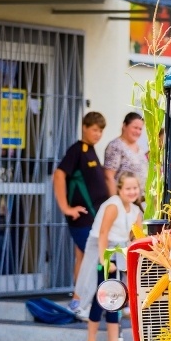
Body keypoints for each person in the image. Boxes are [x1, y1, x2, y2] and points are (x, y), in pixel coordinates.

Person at [78, 172, 143, 341]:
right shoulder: (113, 206)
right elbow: (104, 233)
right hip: (105, 253)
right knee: (102, 297)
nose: (132, 192)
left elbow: (135, 237)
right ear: (120, 189)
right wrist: (105, 261)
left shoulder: (136, 211)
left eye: (135, 188)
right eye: (128, 188)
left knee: (117, 299)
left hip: (120, 253)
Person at [53, 111, 110, 314]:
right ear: (84, 127)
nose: (98, 134)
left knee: (82, 257)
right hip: (83, 217)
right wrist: (65, 208)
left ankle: (78, 301)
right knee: (92, 258)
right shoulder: (76, 150)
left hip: (95, 217)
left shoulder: (91, 150)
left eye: (101, 131)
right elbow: (59, 176)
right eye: (94, 129)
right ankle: (82, 303)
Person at [104, 112, 147, 196]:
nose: (138, 131)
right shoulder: (116, 146)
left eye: (140, 129)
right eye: (135, 128)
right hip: (124, 200)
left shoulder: (139, 148)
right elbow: (109, 176)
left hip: (139, 200)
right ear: (124, 126)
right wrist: (116, 202)